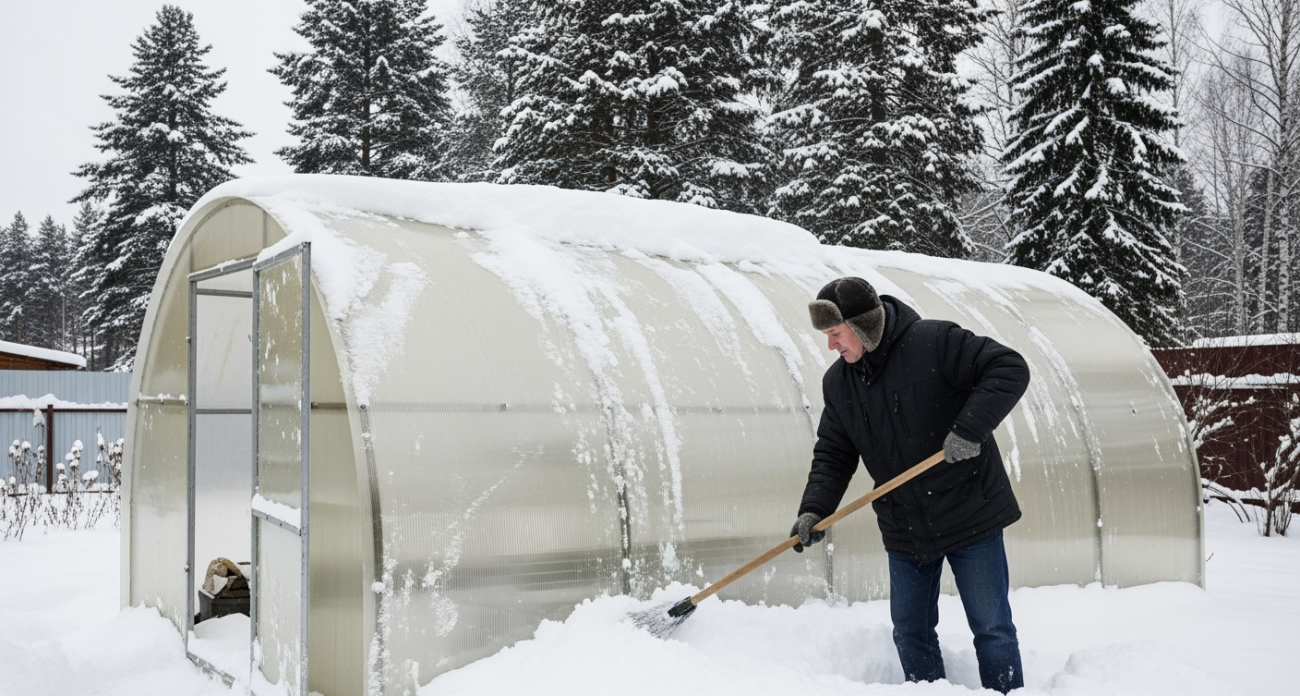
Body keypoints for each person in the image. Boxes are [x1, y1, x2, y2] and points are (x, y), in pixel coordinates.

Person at [790, 276, 1030, 694]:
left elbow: (1008, 367)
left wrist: (969, 429)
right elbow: (833, 452)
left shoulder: (933, 342)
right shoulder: (839, 383)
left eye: (835, 334)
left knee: (992, 629)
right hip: (906, 528)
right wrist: (815, 507)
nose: (831, 345)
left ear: (863, 326)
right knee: (910, 632)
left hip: (969, 511)